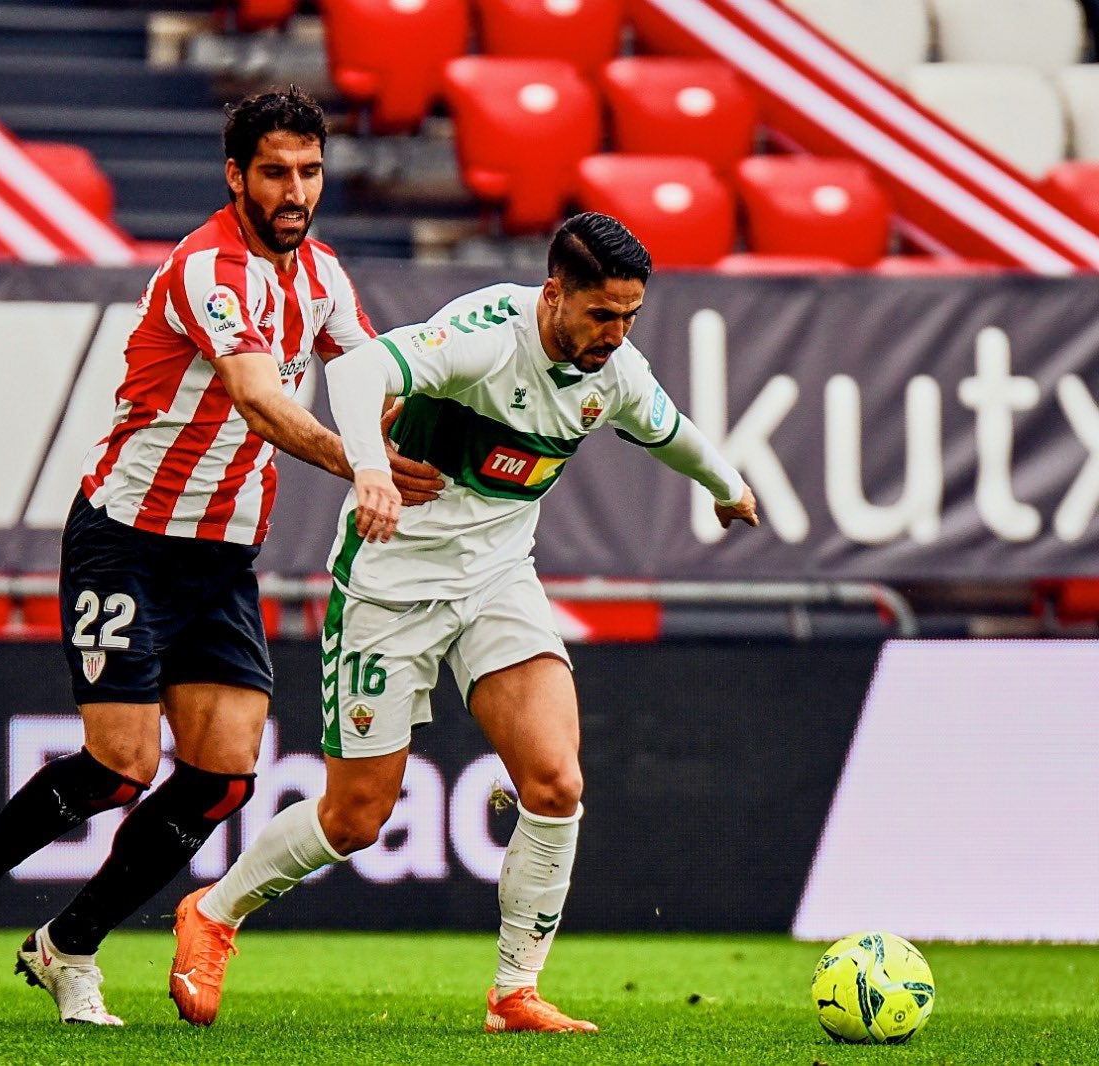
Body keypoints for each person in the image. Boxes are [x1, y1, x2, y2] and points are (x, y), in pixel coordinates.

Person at [0, 85, 441, 1026]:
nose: (295, 190)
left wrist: (429, 425)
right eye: (275, 171)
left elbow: (372, 379)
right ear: (236, 176)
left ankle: (69, 944)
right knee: (120, 764)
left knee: (226, 773)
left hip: (224, 555)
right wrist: (362, 463)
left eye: (310, 171)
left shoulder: (321, 276)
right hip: (129, 539)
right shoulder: (208, 269)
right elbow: (259, 401)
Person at [168, 212, 760, 1033]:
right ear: (555, 293)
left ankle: (515, 992)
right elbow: (361, 370)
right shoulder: (486, 336)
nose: (617, 334)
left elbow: (669, 429)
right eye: (602, 315)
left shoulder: (613, 367)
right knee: (356, 817)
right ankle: (214, 912)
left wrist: (727, 485)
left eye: (631, 316)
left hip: (497, 583)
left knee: (556, 783)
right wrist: (368, 469)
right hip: (392, 584)